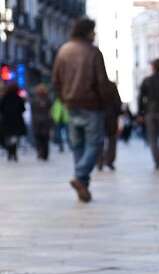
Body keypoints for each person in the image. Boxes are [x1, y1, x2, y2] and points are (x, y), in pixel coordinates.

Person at [52, 17, 113, 203]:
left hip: (71, 104)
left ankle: (83, 185)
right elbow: (102, 81)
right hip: (91, 105)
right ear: (87, 32)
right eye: (93, 31)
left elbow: (56, 81)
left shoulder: (63, 51)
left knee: (78, 144)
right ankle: (80, 176)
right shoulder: (93, 52)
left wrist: (64, 99)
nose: (94, 34)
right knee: (95, 143)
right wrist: (106, 102)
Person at [138, 58, 159, 170]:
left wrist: (140, 113)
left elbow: (140, 98)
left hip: (150, 112)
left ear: (152, 67)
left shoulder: (146, 81)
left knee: (152, 137)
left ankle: (157, 159)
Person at [97, 80, 121, 171]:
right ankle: (109, 161)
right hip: (111, 115)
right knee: (112, 139)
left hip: (99, 115)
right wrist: (117, 113)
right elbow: (118, 102)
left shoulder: (95, 85)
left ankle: (99, 161)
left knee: (99, 139)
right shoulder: (112, 86)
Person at [0, 83, 27, 162]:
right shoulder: (18, 98)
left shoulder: (4, 98)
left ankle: (10, 152)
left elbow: (1, 108)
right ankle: (14, 152)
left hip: (7, 121)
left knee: (8, 137)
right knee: (15, 137)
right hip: (16, 121)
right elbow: (23, 109)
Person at [30, 84, 54, 161]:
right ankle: (44, 154)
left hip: (37, 121)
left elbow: (33, 112)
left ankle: (40, 152)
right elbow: (51, 112)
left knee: (38, 138)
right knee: (45, 139)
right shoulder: (48, 99)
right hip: (45, 121)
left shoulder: (34, 100)